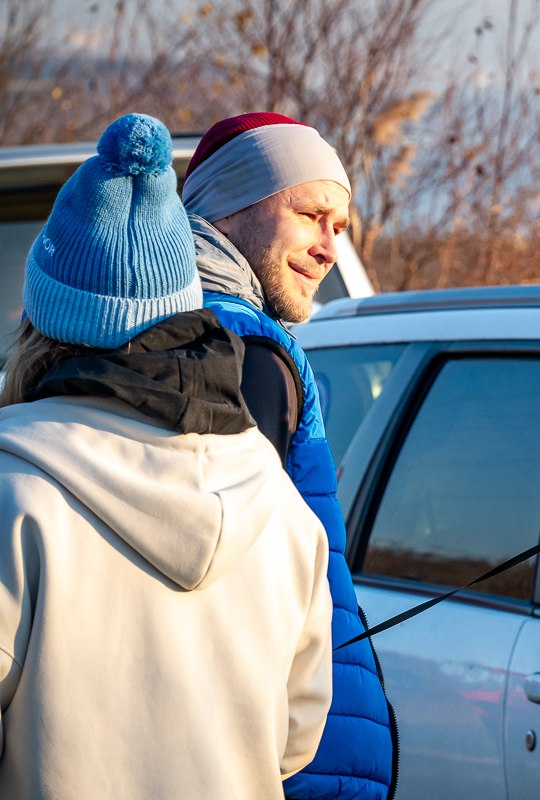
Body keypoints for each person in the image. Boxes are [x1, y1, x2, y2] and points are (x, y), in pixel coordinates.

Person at [0, 113, 332, 798]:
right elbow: (296, 739)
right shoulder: (280, 508)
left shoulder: (14, 492)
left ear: (41, 316)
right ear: (181, 314)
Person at [182, 112, 394, 800]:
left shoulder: (190, 330)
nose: (330, 248)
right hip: (284, 758)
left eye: (341, 228)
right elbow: (236, 575)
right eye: (311, 215)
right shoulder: (240, 348)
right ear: (228, 206)